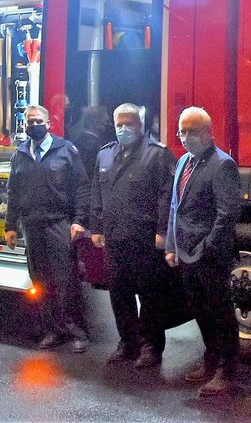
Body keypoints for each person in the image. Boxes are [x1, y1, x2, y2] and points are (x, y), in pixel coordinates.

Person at [89, 103, 176, 367]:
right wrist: (96, 228)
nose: (124, 129)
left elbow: (166, 196)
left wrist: (162, 231)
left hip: (144, 239)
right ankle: (127, 343)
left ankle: (150, 347)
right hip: (114, 238)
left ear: (141, 124)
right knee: (119, 293)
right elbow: (97, 193)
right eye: (119, 125)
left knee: (149, 295)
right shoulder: (105, 155)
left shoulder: (157, 154)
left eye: (129, 124)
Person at [165, 106, 241, 396]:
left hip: (209, 256)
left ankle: (228, 371)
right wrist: (172, 246)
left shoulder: (223, 165)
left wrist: (205, 249)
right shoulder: (184, 161)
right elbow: (176, 207)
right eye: (182, 132)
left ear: (210, 133)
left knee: (220, 312)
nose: (186, 137)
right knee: (200, 311)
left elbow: (227, 215)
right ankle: (211, 360)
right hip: (185, 254)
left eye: (193, 131)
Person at [4, 105, 92, 352]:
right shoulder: (20, 154)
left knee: (66, 281)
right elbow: (13, 192)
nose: (34, 125)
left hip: (58, 224)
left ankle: (77, 332)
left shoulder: (66, 150)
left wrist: (79, 220)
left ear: (48, 123)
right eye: (29, 121)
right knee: (40, 282)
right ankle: (53, 330)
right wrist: (11, 226)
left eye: (38, 121)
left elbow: (81, 187)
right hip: (32, 226)